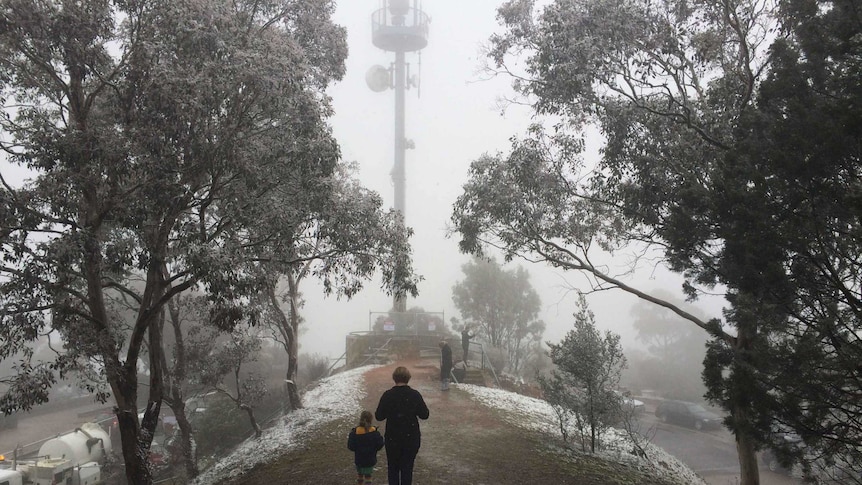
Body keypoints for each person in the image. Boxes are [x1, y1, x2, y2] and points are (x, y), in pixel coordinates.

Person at [375, 366, 429, 485]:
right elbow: (425, 415)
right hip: (411, 437)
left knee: (393, 468)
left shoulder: (388, 395)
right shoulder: (414, 395)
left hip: (393, 437)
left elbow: (379, 416)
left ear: (394, 378)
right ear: (408, 378)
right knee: (407, 468)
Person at [347, 410, 385, 485]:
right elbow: (380, 444)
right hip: (370, 459)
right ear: (371, 420)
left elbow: (350, 446)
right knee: (368, 475)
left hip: (359, 459)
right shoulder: (374, 433)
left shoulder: (355, 433)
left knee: (360, 474)